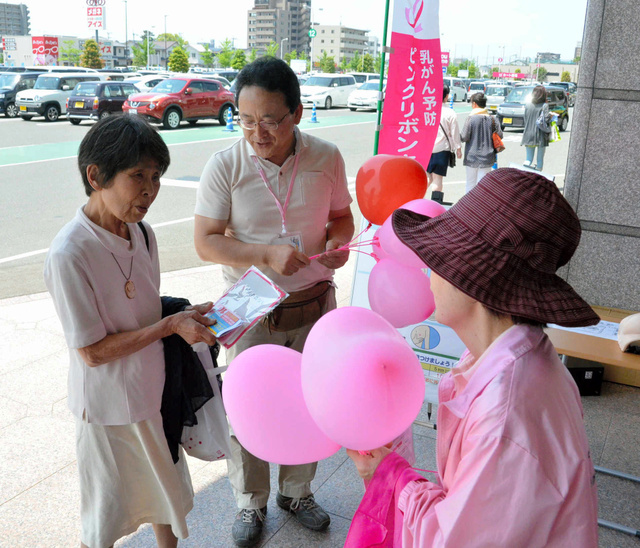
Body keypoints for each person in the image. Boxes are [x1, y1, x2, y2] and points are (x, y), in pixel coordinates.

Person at [345, 168, 600, 547]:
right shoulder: (517, 355)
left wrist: (390, 473)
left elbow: (452, 540)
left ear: (475, 280)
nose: (427, 269)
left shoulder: (505, 414)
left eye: (440, 258)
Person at [194, 57, 354, 547]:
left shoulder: (327, 157)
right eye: (245, 119)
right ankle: (250, 502)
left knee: (309, 402)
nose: (256, 132)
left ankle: (298, 492)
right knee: (248, 406)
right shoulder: (226, 165)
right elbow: (206, 241)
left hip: (312, 301)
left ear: (298, 114)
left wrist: (338, 248)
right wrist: (264, 253)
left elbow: (342, 219)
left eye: (269, 120)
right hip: (249, 306)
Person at [44, 116, 218, 548]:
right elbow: (91, 352)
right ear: (96, 176)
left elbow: (142, 307)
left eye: (156, 176)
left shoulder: (142, 233)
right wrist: (168, 325)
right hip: (107, 411)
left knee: (168, 500)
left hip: (152, 393)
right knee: (104, 518)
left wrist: (183, 314)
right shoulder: (70, 253)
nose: (150, 189)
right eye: (137, 175)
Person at [425, 84, 462, 203]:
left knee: (427, 177)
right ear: (446, 97)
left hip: (426, 149)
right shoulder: (450, 113)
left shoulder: (428, 110)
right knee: (437, 179)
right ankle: (435, 204)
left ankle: (415, 199)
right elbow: (454, 132)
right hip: (442, 150)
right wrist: (458, 148)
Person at [460, 92, 502, 193]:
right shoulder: (493, 119)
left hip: (472, 156)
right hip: (487, 157)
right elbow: (500, 135)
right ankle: (480, 207)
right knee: (482, 186)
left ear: (474, 104)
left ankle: (468, 206)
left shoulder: (470, 118)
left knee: (470, 183)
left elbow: (464, 137)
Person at [522, 85, 552, 171]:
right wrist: (551, 116)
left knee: (528, 159)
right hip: (540, 135)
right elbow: (546, 119)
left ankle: (525, 172)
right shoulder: (544, 105)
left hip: (528, 134)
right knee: (539, 160)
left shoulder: (528, 105)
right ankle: (537, 176)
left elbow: (525, 118)